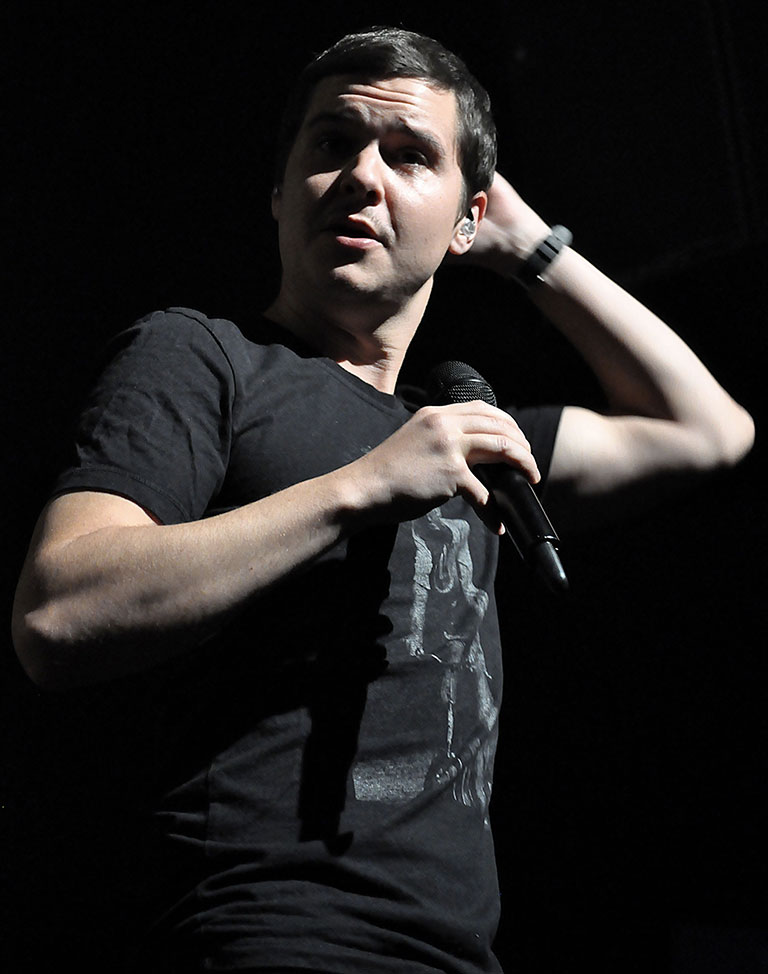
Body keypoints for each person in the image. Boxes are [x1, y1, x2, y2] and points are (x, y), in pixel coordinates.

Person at [11, 26, 753, 974]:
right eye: (332, 144)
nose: (362, 176)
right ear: (280, 191)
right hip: (271, 934)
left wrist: (530, 248)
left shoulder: (459, 438)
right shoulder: (204, 357)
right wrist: (363, 485)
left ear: (467, 219)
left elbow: (709, 431)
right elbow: (60, 610)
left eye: (409, 156)